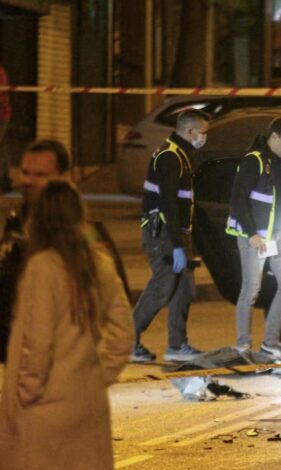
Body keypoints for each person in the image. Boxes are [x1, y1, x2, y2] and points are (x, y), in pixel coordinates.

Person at [0, 180, 133, 470]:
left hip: (46, 408)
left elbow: (37, 342)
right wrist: (98, 377)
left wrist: (25, 394)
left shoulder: (43, 267)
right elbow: (123, 335)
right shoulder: (101, 264)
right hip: (88, 403)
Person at [131, 109, 209, 363]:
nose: (204, 137)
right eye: (203, 132)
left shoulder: (182, 155)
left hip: (176, 234)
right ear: (189, 131)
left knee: (184, 289)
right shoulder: (169, 156)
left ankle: (177, 345)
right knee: (162, 287)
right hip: (162, 233)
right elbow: (168, 204)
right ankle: (127, 341)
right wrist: (176, 244)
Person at [226, 117, 281, 360]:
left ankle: (270, 343)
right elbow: (238, 200)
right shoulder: (254, 161)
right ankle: (243, 346)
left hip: (279, 235)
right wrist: (251, 234)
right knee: (251, 291)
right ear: (274, 137)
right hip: (257, 238)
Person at [1, 140, 72, 363]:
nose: (28, 181)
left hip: (60, 365)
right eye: (25, 172)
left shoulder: (80, 232)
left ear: (64, 178)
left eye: (40, 174)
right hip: (19, 361)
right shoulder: (16, 224)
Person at [0, 62, 11, 192]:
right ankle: (5, 178)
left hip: (2, 116)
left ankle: (4, 179)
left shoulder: (0, 73)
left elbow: (2, 97)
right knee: (2, 147)